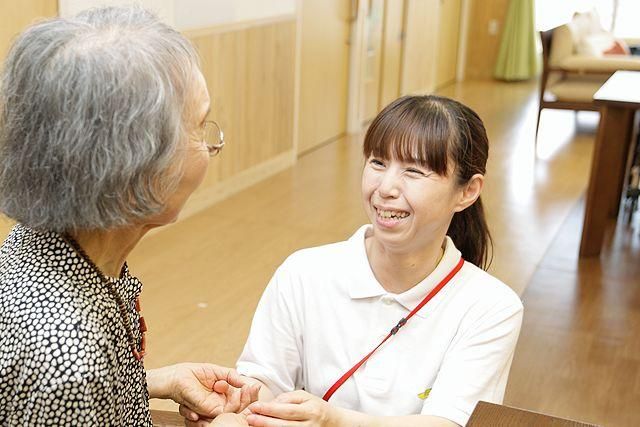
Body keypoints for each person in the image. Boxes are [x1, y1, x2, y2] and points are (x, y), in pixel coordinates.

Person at [182, 95, 524, 426]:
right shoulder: (303, 273)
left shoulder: (491, 308)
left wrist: (333, 421)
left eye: (415, 171)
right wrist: (236, 410)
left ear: (467, 191)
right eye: (378, 162)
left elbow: (449, 422)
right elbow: (264, 385)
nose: (386, 187)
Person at [0, 6, 256, 425]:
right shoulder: (67, 358)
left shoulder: (42, 240)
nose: (212, 146)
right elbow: (67, 379)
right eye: (199, 126)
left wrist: (154, 380)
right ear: (137, 166)